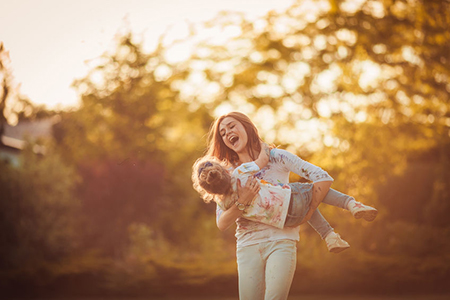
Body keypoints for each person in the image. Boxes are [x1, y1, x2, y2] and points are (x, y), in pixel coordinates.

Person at [198, 111, 376, 300]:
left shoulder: (277, 157)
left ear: (246, 126)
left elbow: (320, 178)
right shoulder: (228, 174)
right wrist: (243, 200)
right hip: (248, 245)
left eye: (231, 126)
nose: (227, 133)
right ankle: (340, 219)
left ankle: (348, 209)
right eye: (223, 133)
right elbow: (222, 222)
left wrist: (308, 213)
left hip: (281, 241)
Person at [192, 142, 377, 251]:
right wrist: (263, 145)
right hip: (288, 197)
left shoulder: (223, 204)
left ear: (209, 192)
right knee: (313, 193)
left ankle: (330, 237)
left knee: (307, 204)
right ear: (224, 169)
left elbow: (223, 223)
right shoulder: (240, 172)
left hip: (284, 221)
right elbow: (263, 160)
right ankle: (352, 204)